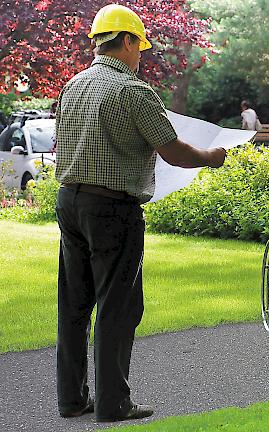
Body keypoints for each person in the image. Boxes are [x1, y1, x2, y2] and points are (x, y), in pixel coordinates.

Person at [54, 4, 227, 423]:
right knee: (119, 306)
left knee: (75, 304)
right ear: (128, 41)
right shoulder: (134, 91)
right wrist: (212, 156)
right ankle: (114, 404)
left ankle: (72, 399)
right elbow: (175, 151)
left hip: (70, 202)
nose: (140, 55)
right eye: (139, 46)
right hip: (113, 209)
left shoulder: (73, 85)